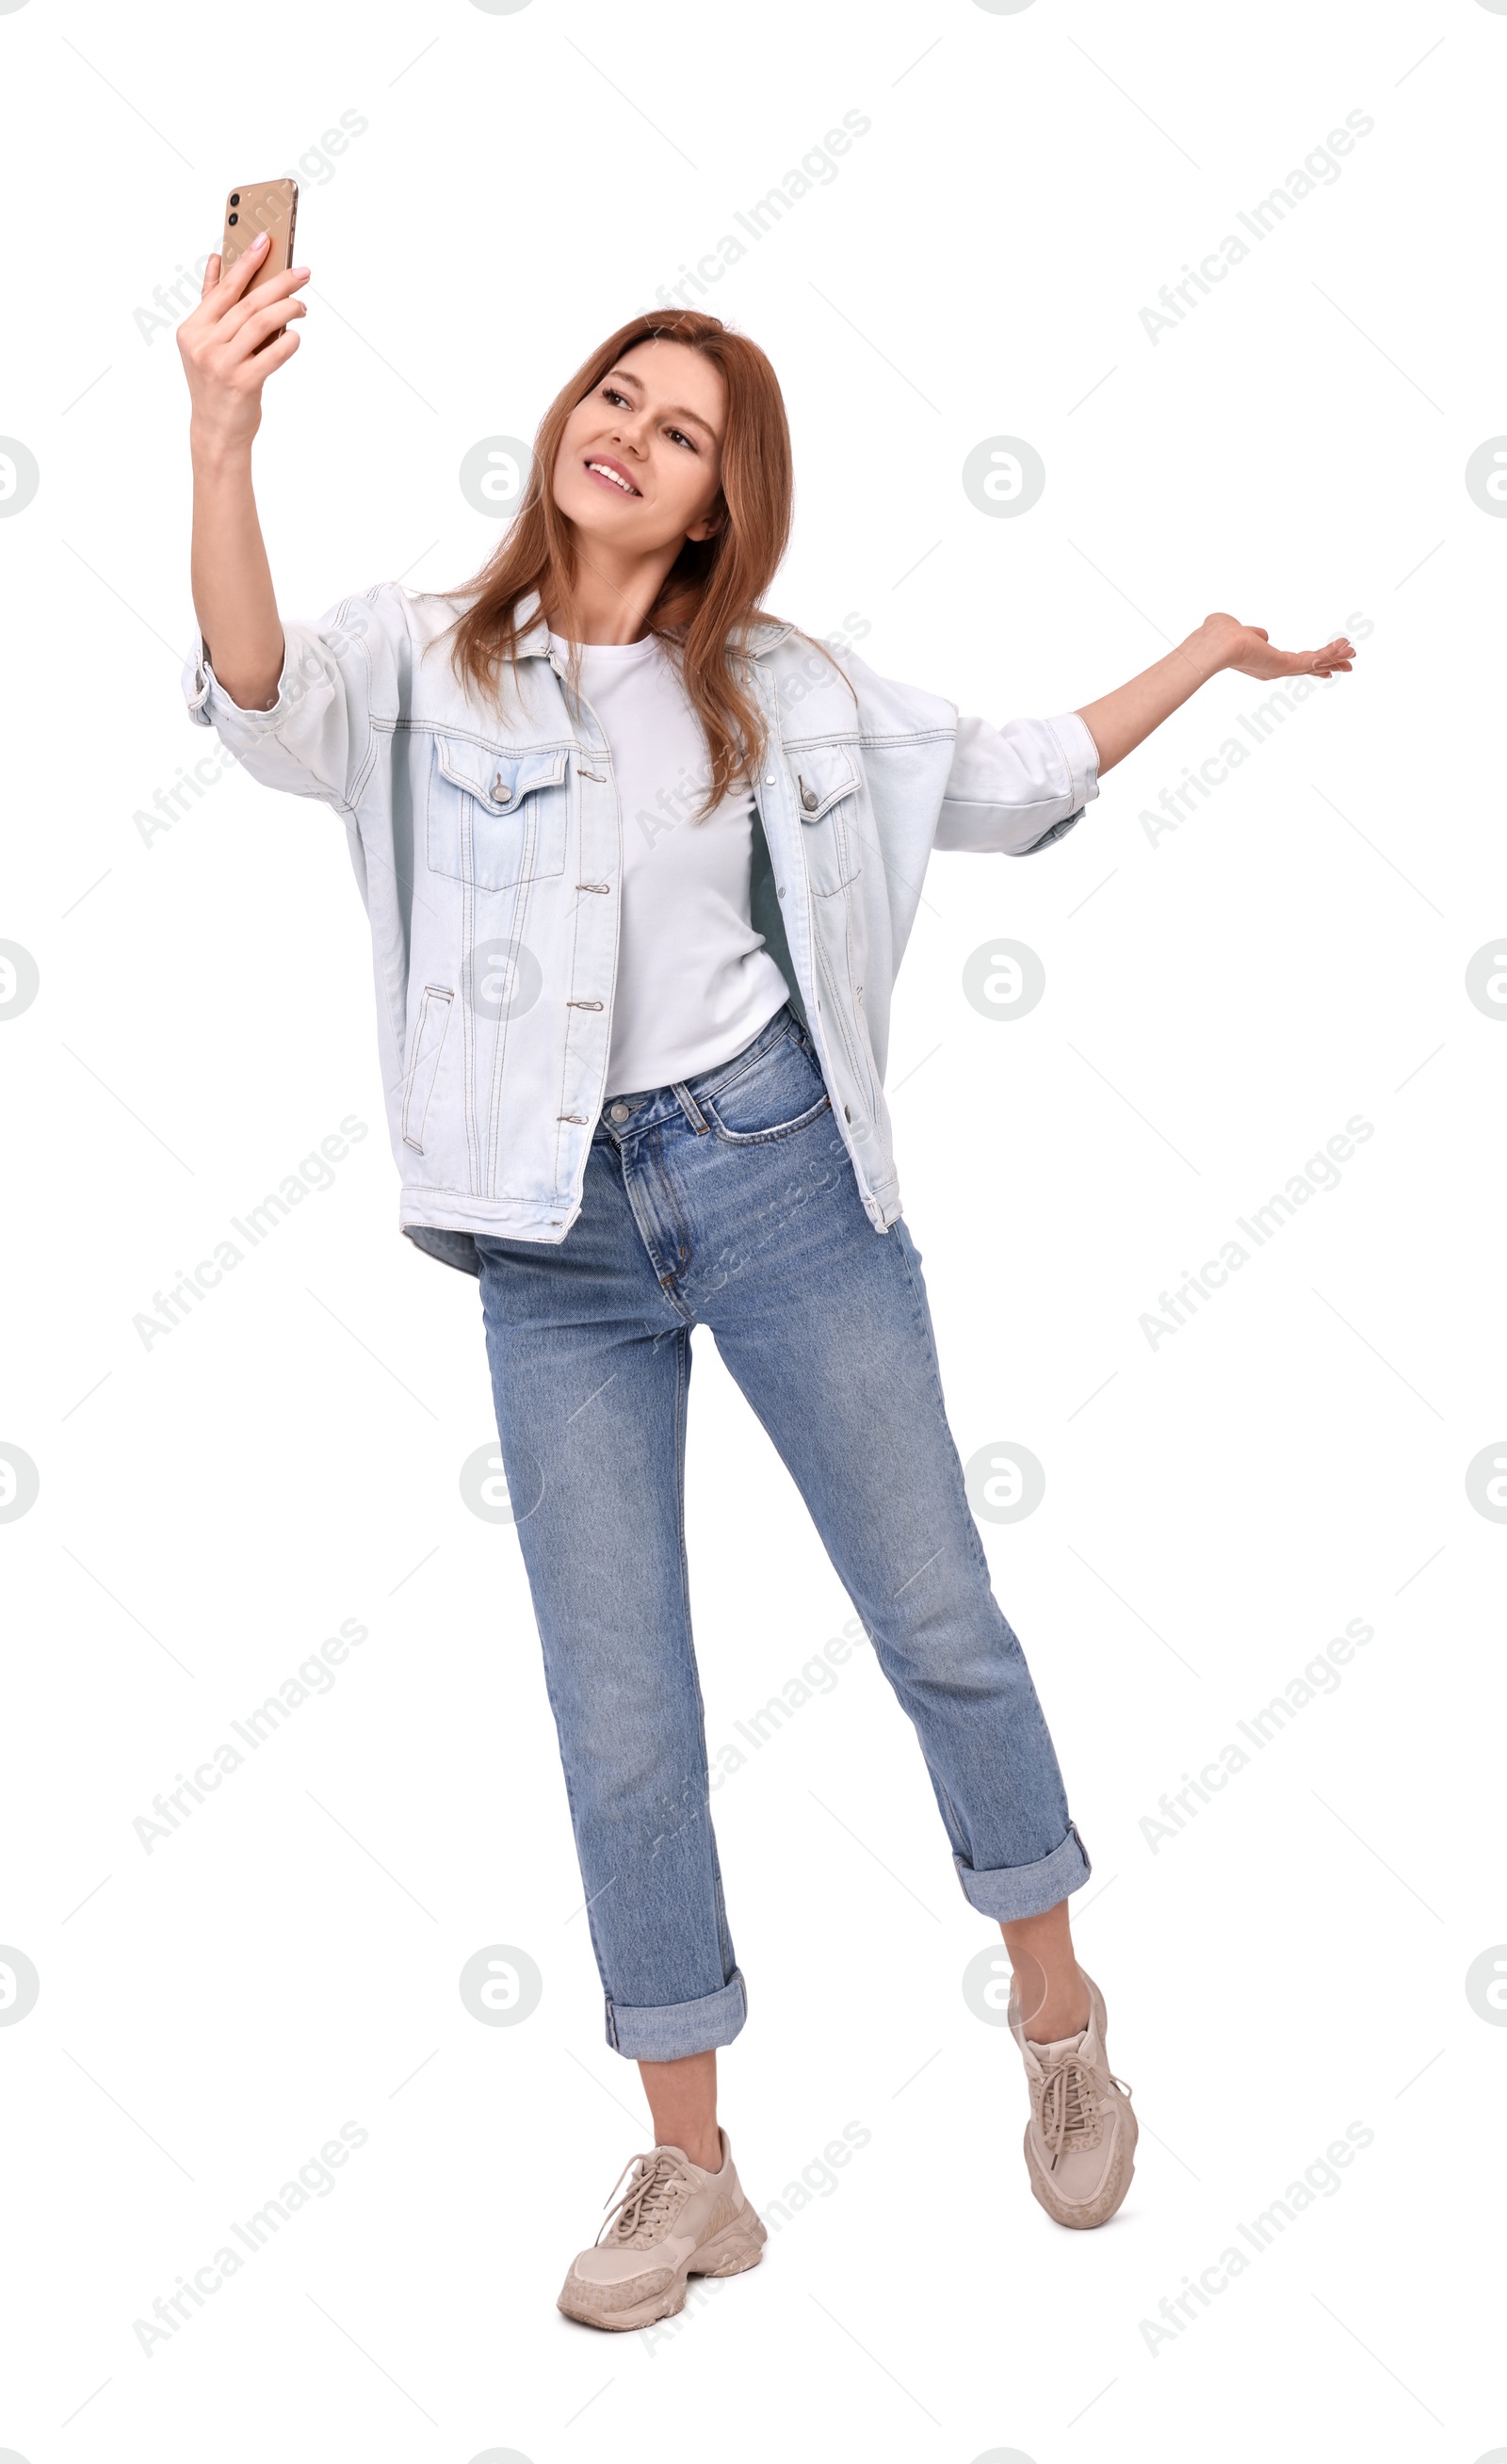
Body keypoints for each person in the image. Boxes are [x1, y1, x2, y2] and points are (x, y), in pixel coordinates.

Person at [176, 231, 1355, 2332]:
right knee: (619, 1712)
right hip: (547, 1246)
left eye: (678, 425)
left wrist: (1193, 656)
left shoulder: (785, 687)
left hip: (776, 1177)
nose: (626, 433)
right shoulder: (419, 659)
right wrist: (221, 428)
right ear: (560, 432)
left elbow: (998, 776)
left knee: (933, 1620)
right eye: (609, 397)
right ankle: (691, 2171)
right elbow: (253, 692)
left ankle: (1056, 2010)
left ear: (721, 497)